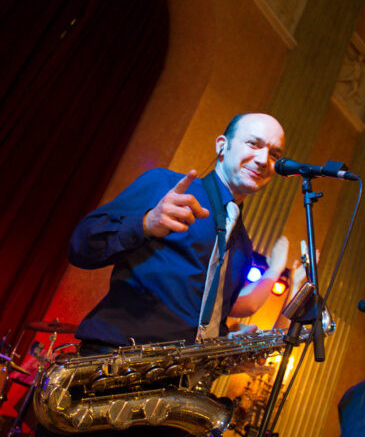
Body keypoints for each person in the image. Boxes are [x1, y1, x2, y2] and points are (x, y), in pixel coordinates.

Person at [35, 113, 288, 436]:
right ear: (222, 146)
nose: (265, 159)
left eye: (276, 154)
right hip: (111, 376)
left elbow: (205, 316)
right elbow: (81, 245)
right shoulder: (165, 186)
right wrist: (145, 222)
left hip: (172, 398)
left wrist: (229, 344)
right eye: (254, 144)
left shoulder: (243, 245)